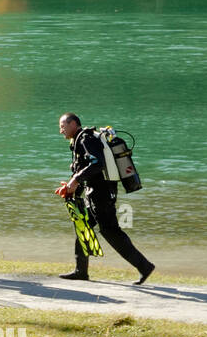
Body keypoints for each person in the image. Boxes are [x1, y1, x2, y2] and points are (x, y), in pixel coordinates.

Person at [55, 112, 155, 284]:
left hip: (101, 194)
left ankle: (144, 266)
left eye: (62, 127)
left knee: (111, 232)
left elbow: (97, 164)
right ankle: (81, 271)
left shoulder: (86, 139)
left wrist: (75, 180)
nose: (61, 131)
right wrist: (72, 187)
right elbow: (86, 168)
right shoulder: (80, 140)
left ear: (73, 124)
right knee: (83, 226)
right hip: (95, 192)